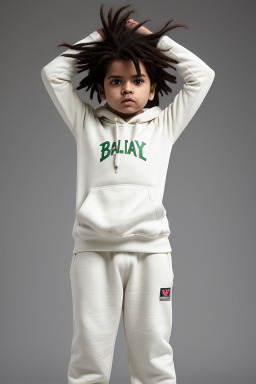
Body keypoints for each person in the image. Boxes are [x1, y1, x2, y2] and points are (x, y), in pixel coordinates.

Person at [41, 4, 215, 384]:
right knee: (88, 358)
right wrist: (101, 37)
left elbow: (202, 76)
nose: (126, 89)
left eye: (137, 81)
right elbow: (53, 74)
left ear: (153, 88)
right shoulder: (86, 123)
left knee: (153, 357)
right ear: (102, 87)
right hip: (92, 252)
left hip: (152, 253)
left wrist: (151, 39)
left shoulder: (165, 126)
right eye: (115, 82)